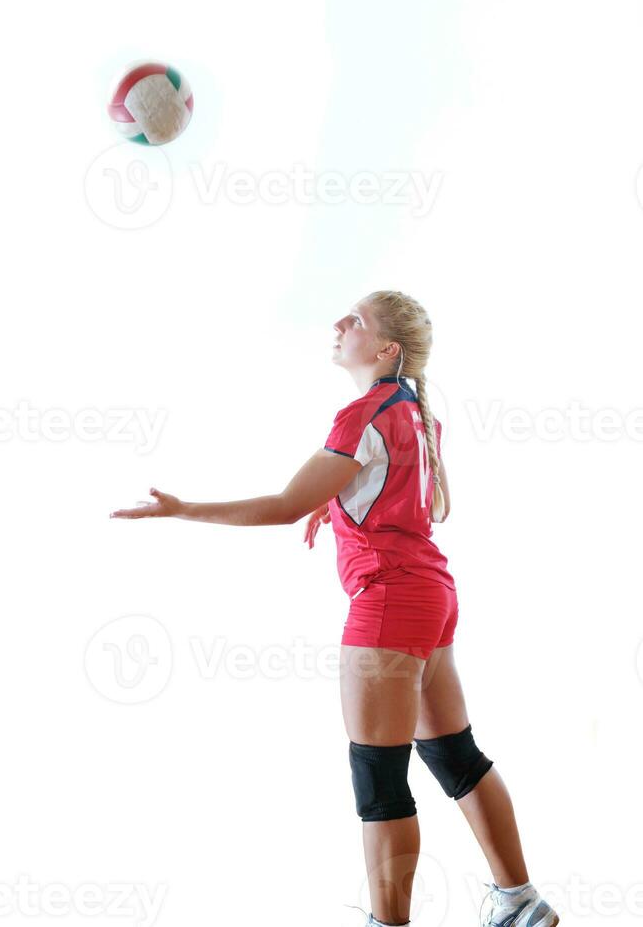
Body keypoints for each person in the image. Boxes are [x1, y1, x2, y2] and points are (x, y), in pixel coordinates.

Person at [110, 290, 560, 927]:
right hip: (432, 594)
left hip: (387, 604)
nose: (339, 323)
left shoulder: (361, 415)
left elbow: (283, 506)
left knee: (379, 779)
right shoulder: (417, 414)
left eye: (357, 319)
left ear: (386, 349)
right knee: (455, 756)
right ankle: (521, 904)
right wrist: (343, 496)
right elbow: (418, 500)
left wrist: (183, 509)